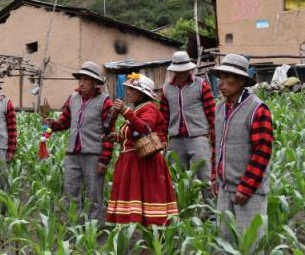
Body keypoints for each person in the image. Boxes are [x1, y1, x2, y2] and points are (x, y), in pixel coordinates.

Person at [210, 54, 274, 255]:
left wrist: (246, 187)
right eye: (220, 78)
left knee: (251, 240)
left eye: (226, 78)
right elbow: (217, 146)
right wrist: (214, 177)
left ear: (240, 81)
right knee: (225, 237)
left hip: (250, 189)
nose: (221, 83)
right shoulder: (220, 108)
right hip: (225, 187)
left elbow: (262, 151)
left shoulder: (258, 110)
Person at [106, 73, 178, 226]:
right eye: (128, 89)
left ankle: (154, 238)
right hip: (132, 162)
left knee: (148, 196)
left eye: (132, 89)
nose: (128, 92)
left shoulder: (149, 108)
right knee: (136, 198)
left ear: (141, 93)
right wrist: (117, 136)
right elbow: (133, 134)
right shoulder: (137, 109)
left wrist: (125, 111)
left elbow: (145, 129)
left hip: (144, 163)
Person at [46, 61, 114, 223]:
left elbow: (109, 133)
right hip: (72, 154)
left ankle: (94, 227)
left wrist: (104, 160)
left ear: (95, 82)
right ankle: (74, 224)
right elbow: (64, 122)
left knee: (94, 192)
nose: (82, 83)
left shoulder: (105, 102)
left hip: (94, 155)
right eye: (80, 79)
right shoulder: (73, 99)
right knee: (71, 190)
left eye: (86, 79)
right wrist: (51, 124)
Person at [160, 51, 216, 204]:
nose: (183, 73)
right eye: (179, 71)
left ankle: (211, 212)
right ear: (174, 71)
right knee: (177, 177)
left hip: (198, 136)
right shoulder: (166, 89)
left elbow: (212, 112)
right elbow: (163, 116)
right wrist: (163, 138)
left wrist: (214, 135)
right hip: (176, 139)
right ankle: (181, 212)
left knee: (204, 175)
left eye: (185, 70)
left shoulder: (201, 85)